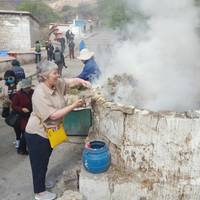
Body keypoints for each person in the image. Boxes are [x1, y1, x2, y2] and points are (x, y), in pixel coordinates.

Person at [25, 60, 91, 200]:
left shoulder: (56, 83)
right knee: (38, 163)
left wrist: (81, 81)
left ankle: (41, 183)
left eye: (57, 71)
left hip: (50, 133)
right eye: (54, 73)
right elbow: (53, 115)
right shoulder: (39, 93)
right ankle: (39, 192)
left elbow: (69, 82)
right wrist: (73, 105)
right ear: (44, 76)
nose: (58, 75)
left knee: (45, 160)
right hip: (37, 133)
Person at [12, 78, 33, 155]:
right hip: (22, 118)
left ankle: (25, 148)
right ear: (23, 88)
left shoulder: (32, 92)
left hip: (31, 115)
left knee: (28, 133)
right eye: (27, 88)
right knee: (25, 133)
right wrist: (21, 109)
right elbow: (13, 106)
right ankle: (21, 149)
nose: (28, 89)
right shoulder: (17, 95)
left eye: (29, 87)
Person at [0, 70, 20, 148]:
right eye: (7, 78)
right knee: (14, 124)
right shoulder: (5, 87)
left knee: (17, 125)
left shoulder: (19, 85)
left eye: (11, 77)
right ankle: (18, 138)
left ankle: (19, 140)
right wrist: (3, 97)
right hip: (11, 109)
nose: (9, 79)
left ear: (14, 77)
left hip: (18, 108)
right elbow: (2, 95)